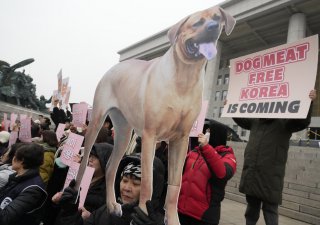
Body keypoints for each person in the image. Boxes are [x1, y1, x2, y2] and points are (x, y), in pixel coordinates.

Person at [232, 89, 317, 225]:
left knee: (270, 211)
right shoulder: (256, 121)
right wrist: (229, 106)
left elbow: (302, 122)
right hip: (252, 175)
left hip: (270, 178)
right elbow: (240, 119)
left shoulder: (284, 123)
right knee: (251, 210)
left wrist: (309, 103)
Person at [55, 153, 165, 225]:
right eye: (125, 180)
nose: (126, 188)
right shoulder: (107, 210)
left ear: (153, 188)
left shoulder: (161, 222)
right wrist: (70, 212)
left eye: (136, 183)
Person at [178, 120, 237, 225]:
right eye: (205, 131)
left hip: (204, 217)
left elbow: (222, 174)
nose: (205, 134)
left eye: (209, 131)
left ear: (217, 134)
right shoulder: (194, 152)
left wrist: (206, 148)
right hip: (181, 212)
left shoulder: (227, 156)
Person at [0, 143, 47, 225]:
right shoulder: (16, 177)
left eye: (15, 155)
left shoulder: (33, 189)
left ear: (21, 160)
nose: (12, 158)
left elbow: (5, 218)